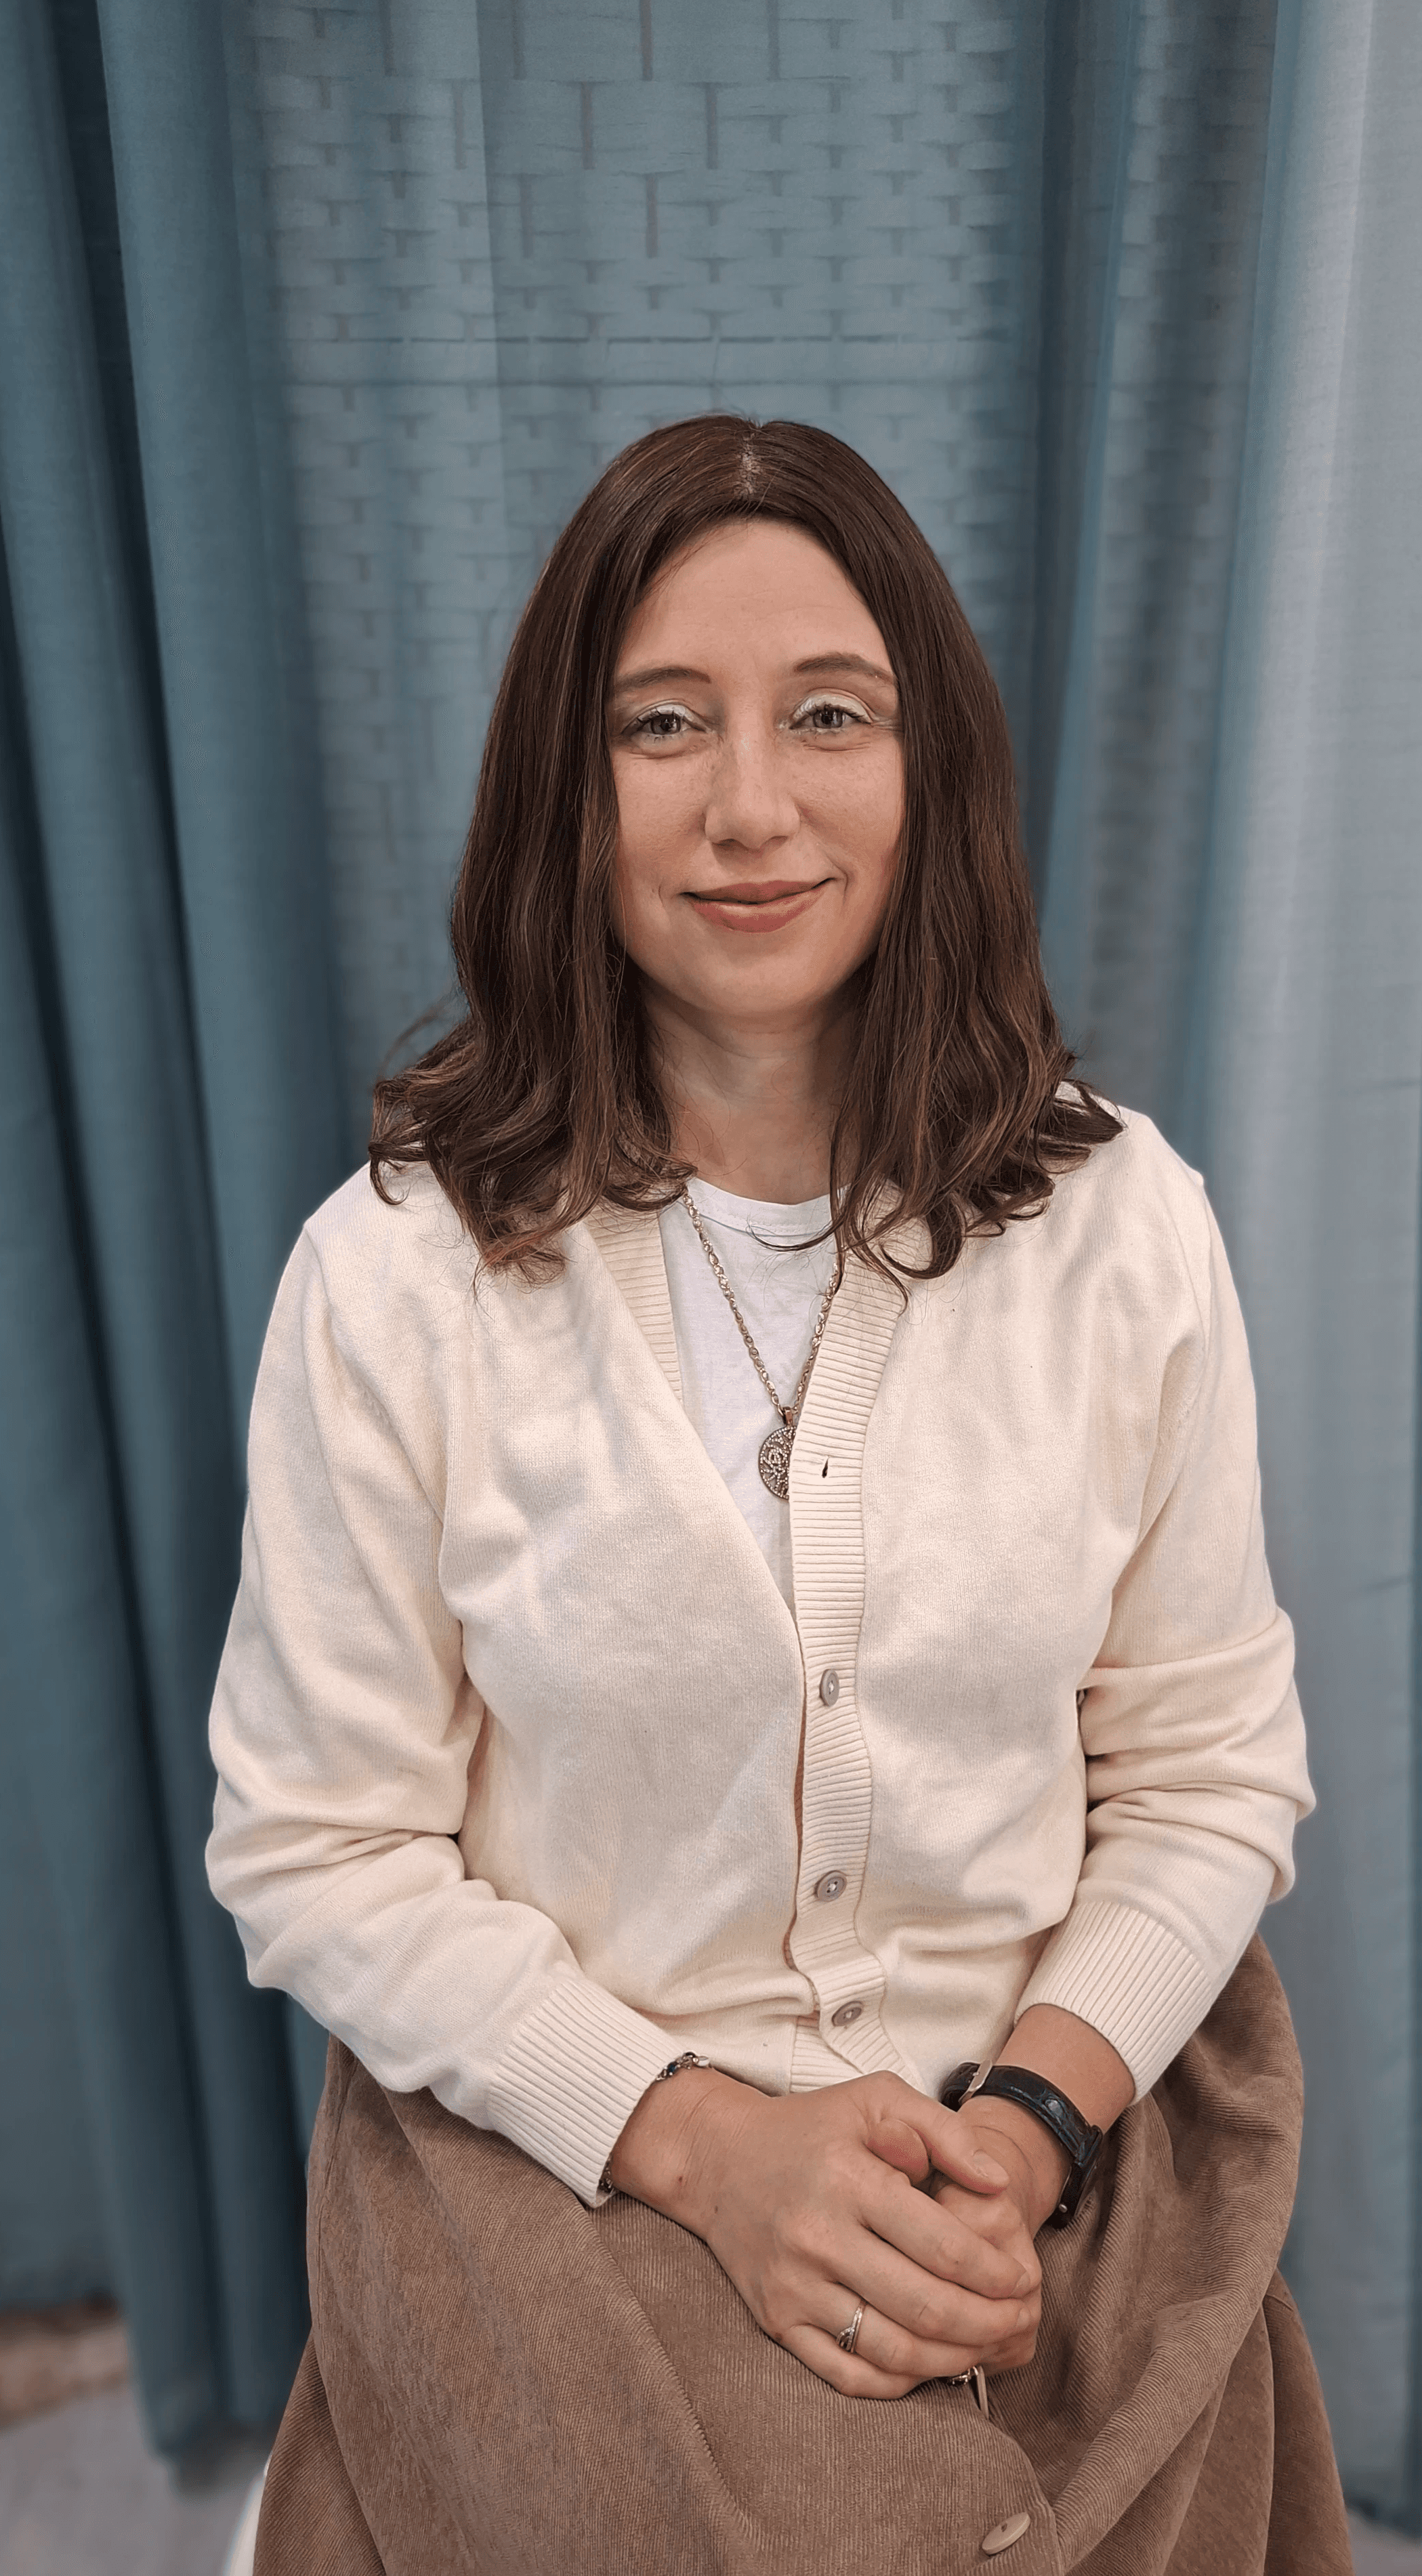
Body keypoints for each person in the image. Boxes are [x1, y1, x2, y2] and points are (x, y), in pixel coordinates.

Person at [207, 415, 1352, 2573]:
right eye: (664, 724)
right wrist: (707, 2148)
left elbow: (1210, 1776)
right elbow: (312, 1842)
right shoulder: (397, 1275)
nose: (751, 805)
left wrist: (1027, 2123)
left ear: (933, 776)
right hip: (579, 2142)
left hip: (1033, 2122)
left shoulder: (1126, 1235)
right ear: (571, 780)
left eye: (830, 714)